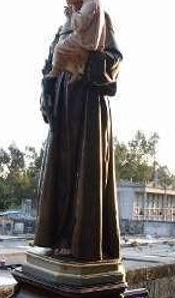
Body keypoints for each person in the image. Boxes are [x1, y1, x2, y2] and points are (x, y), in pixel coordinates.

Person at [35, 5, 122, 260]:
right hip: (63, 101)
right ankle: (58, 234)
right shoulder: (63, 27)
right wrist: (47, 93)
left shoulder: (100, 17)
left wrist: (86, 62)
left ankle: (81, 240)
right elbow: (49, 65)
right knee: (61, 169)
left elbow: (114, 62)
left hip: (88, 104)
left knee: (86, 169)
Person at [47, 0, 105, 81]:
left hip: (86, 42)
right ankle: (76, 72)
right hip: (84, 41)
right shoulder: (87, 5)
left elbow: (81, 23)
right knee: (58, 48)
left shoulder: (91, 4)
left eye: (73, 3)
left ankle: (56, 71)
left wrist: (72, 14)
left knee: (59, 48)